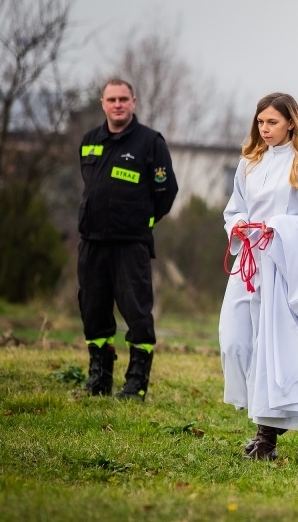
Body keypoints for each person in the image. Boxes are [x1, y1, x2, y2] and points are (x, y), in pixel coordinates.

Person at [219, 92, 298, 461]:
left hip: (283, 266)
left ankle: (266, 437)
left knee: (274, 349)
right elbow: (234, 207)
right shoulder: (248, 164)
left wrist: (281, 228)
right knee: (235, 341)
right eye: (260, 122)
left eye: (272, 122)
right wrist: (238, 226)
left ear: (290, 123)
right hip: (248, 263)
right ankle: (256, 418)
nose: (265, 128)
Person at [78, 78, 178, 401]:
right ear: (103, 103)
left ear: (133, 102)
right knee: (93, 309)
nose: (117, 104)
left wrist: (143, 221)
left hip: (130, 243)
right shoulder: (90, 141)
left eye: (123, 99)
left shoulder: (150, 142)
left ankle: (136, 383)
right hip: (92, 241)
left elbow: (166, 192)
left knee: (136, 311)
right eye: (112, 99)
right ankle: (99, 377)